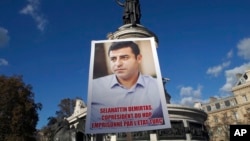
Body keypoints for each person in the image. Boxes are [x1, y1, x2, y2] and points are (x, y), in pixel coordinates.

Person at [89, 41, 164, 130]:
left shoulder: (156, 87)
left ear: (139, 58)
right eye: (113, 59)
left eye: (124, 58)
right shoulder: (95, 88)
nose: (118, 64)